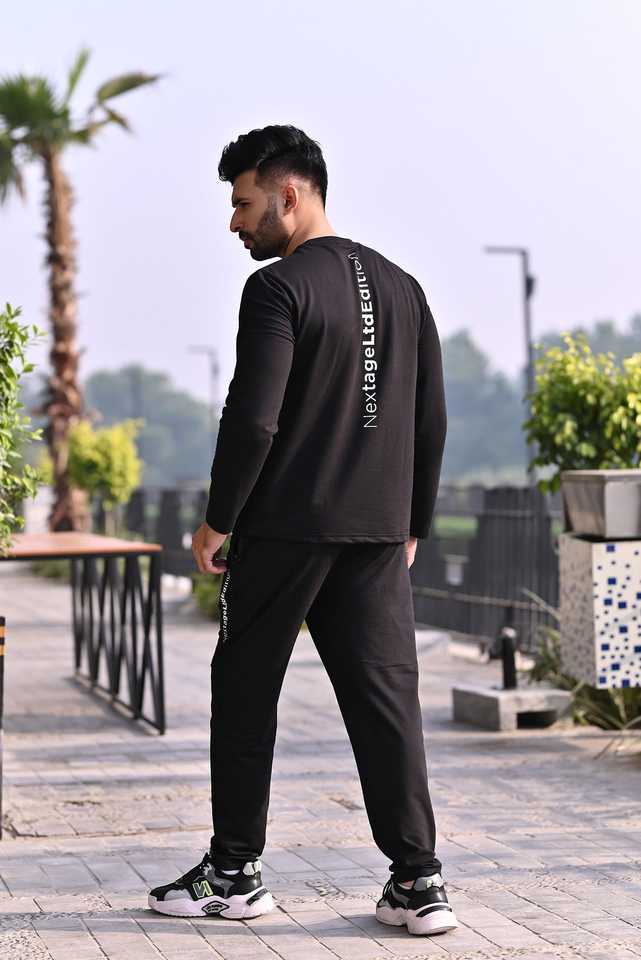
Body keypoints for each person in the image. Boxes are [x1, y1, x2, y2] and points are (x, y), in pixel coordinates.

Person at [148, 124, 457, 937]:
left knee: (244, 691)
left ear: (289, 195)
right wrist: (413, 520)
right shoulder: (403, 287)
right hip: (376, 534)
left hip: (284, 529)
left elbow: (254, 420)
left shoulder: (277, 288)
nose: (234, 221)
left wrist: (218, 519)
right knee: (386, 703)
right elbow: (429, 418)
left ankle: (233, 873)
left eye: (242, 202)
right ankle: (417, 880)